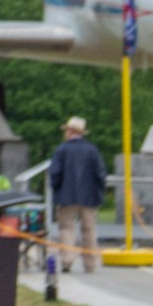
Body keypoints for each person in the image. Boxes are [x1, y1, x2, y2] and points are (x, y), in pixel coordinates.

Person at [48, 116, 106, 272]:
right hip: (89, 197)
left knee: (66, 229)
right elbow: (100, 174)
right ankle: (90, 264)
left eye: (66, 130)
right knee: (89, 230)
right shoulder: (92, 150)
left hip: (66, 197)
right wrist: (99, 191)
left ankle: (67, 261)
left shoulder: (62, 149)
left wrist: (57, 189)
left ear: (70, 131)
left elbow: (55, 173)